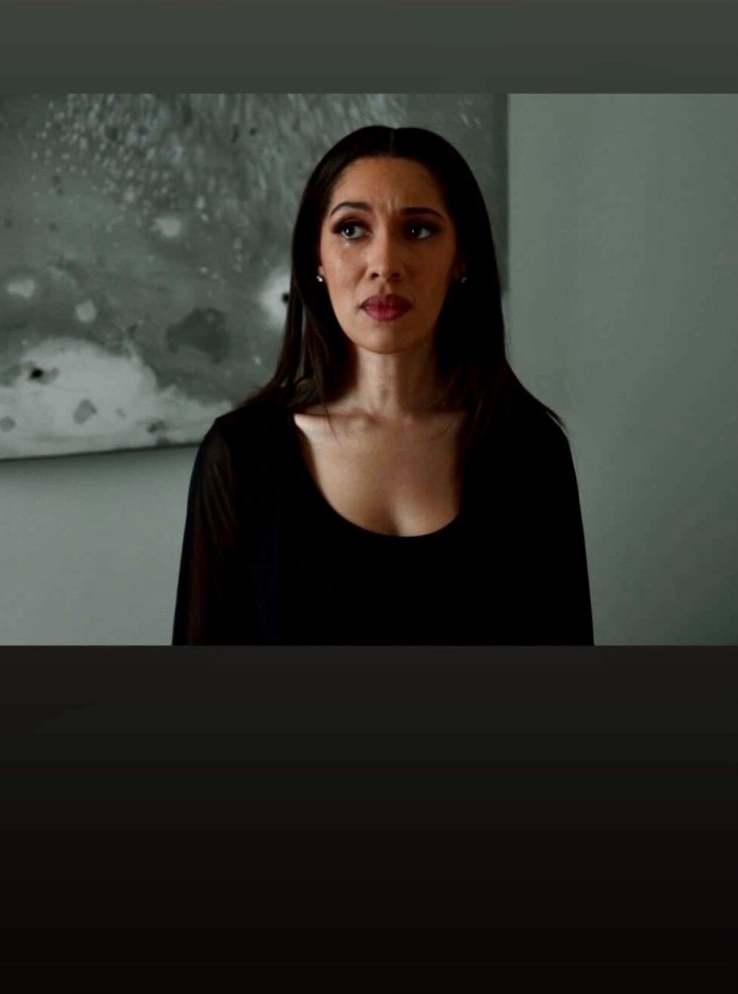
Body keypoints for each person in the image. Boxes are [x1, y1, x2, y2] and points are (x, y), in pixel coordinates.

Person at [172, 125, 593, 645]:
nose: (386, 265)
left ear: (461, 258)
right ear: (316, 258)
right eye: (352, 229)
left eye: (418, 230)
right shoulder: (240, 455)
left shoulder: (530, 448)